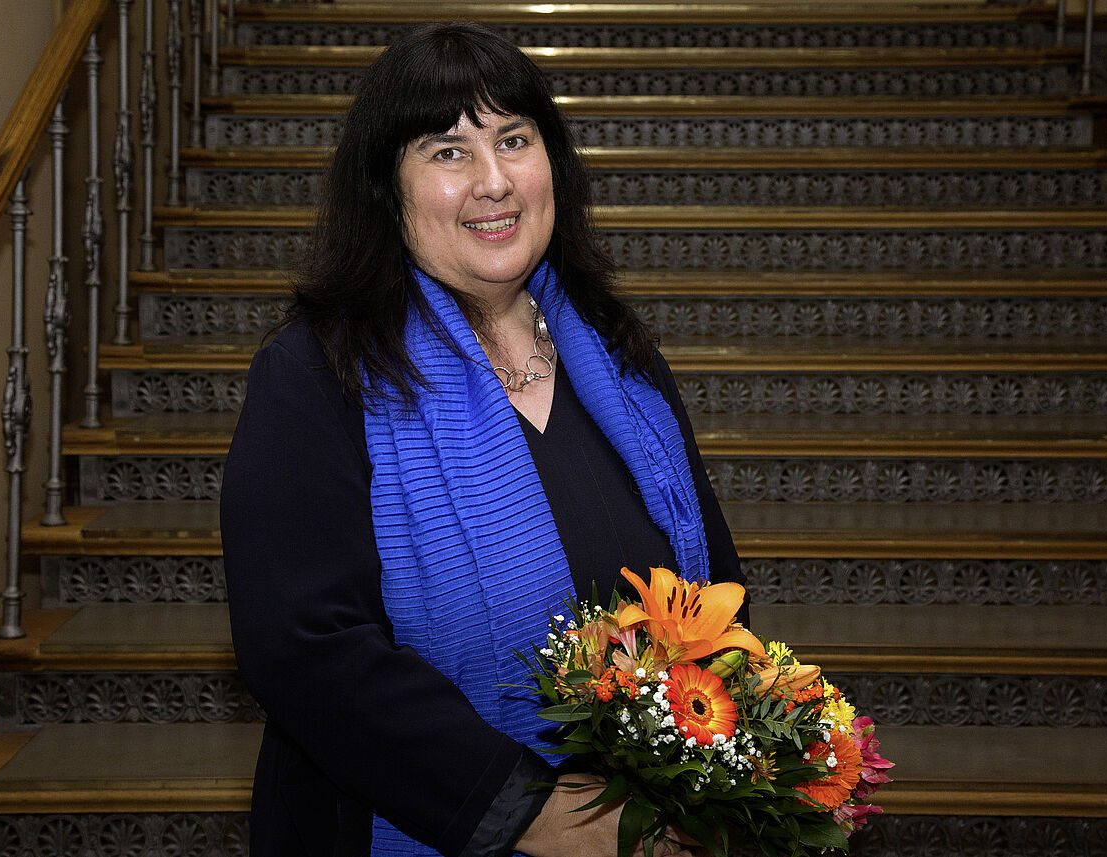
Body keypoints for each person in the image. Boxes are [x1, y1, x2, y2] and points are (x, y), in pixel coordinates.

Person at [221, 22, 747, 857]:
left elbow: (719, 592)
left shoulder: (619, 355)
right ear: (384, 188)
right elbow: (306, 650)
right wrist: (538, 814)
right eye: (448, 151)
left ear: (554, 165)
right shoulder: (315, 375)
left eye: (513, 139)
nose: (494, 181)